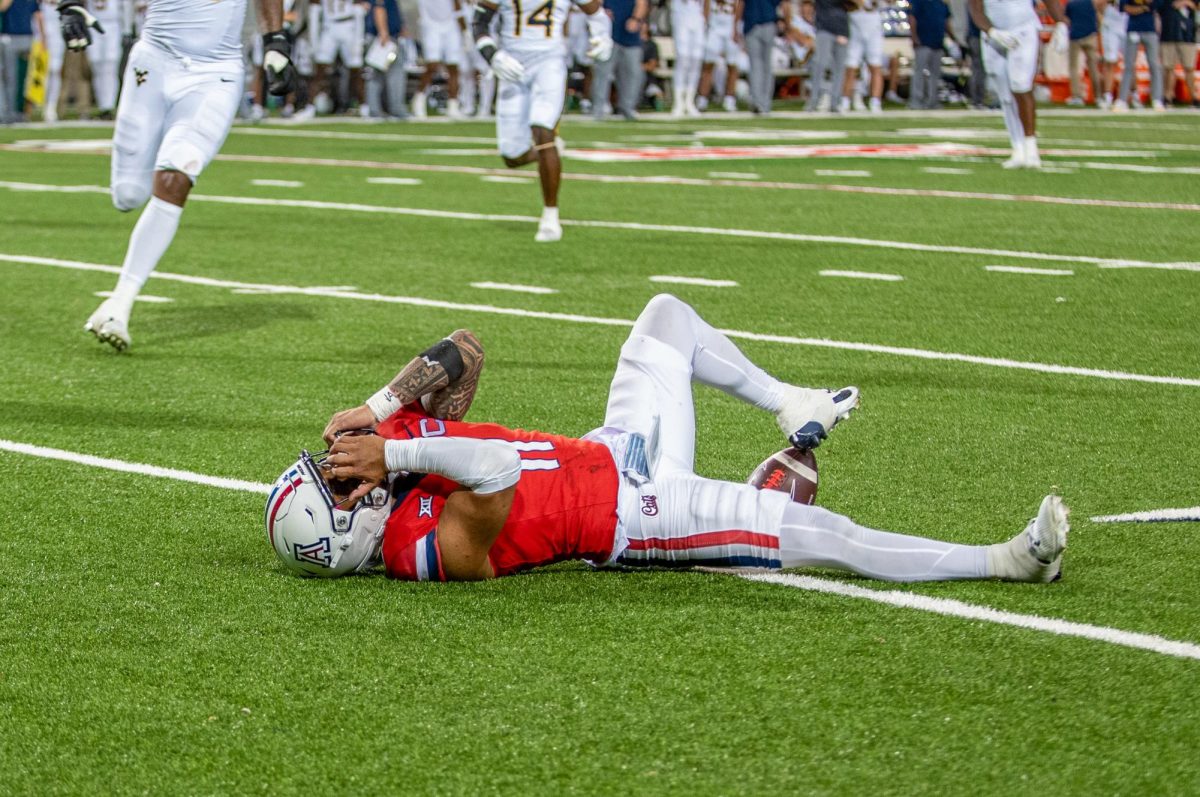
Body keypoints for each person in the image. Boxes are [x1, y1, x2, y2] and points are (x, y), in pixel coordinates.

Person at [266, 294, 1070, 586]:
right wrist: (395, 451)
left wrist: (380, 405)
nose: (346, 473)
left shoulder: (387, 455)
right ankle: (1009, 559)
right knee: (828, 538)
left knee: (666, 316)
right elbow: (498, 466)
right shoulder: (419, 549)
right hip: (641, 513)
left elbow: (464, 351)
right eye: (336, 488)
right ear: (346, 534)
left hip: (616, 445)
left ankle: (789, 404)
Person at [75, 0, 297, 352]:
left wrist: (275, 38)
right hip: (153, 62)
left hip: (216, 73)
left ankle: (119, 302)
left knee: (177, 174)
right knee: (128, 194)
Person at [471, 0, 611, 242]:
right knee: (511, 155)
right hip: (512, 65)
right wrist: (492, 55)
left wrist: (603, 36)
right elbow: (479, 22)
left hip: (550, 62)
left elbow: (597, 12)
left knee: (543, 129)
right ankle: (550, 153)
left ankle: (550, 216)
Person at [969, 0, 1068, 169]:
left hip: (1023, 29)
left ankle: (1031, 147)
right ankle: (1017, 147)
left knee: (1021, 85)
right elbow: (976, 11)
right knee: (1005, 97)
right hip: (994, 35)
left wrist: (1061, 23)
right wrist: (992, 32)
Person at [591, 0, 646, 120]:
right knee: (603, 73)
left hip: (630, 33)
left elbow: (642, 2)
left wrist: (636, 18)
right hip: (608, 32)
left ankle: (628, 107)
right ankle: (599, 108)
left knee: (633, 73)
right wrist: (600, 12)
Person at [412, 0, 463, 117]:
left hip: (451, 25)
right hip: (430, 25)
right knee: (432, 65)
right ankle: (419, 99)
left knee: (453, 66)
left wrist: (464, 29)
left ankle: (453, 105)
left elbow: (457, 5)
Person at [1113, 0, 1162, 110]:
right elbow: (1124, 8)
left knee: (1154, 65)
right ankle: (1122, 99)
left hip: (1150, 29)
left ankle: (1157, 99)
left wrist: (1139, 8)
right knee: (1128, 66)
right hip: (1133, 29)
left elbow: (1157, 5)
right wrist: (1142, 8)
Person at [907, 0, 953, 110]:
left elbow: (946, 21)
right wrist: (914, 36)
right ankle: (916, 101)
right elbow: (912, 18)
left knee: (935, 74)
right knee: (919, 72)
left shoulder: (942, 4)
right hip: (923, 41)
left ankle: (933, 101)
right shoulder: (920, 2)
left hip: (938, 42)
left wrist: (952, 37)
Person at [804, 0, 847, 112]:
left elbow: (857, 4)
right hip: (824, 27)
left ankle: (835, 102)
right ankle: (814, 100)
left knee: (839, 68)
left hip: (841, 27)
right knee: (820, 64)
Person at [841, 0, 883, 112]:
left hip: (873, 28)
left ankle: (875, 102)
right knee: (851, 67)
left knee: (875, 66)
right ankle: (845, 101)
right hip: (855, 28)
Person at [697, 0, 738, 111]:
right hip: (714, 28)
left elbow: (739, 6)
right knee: (708, 64)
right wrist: (705, 25)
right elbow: (706, 5)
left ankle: (730, 99)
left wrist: (737, 26)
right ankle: (702, 98)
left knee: (732, 65)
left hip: (730, 27)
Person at [1158, 0, 1197, 107]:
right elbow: (1158, 7)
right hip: (1169, 33)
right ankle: (1168, 97)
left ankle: (1193, 97)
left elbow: (1196, 5)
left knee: (1189, 67)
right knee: (1168, 67)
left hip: (1188, 35)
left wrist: (1186, 2)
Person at [670, 0, 705, 115]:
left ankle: (690, 101)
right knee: (683, 59)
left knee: (696, 60)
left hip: (698, 17)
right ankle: (678, 101)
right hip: (682, 15)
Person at [1063, 0, 1099, 105]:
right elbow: (1096, 18)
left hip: (1075, 36)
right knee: (1093, 67)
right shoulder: (1090, 3)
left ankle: (1077, 96)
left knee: (1074, 67)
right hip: (1090, 35)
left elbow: (1067, 19)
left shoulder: (1071, 4)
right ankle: (1098, 96)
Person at [35, 0, 64, 120]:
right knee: (42, 71)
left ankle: (51, 106)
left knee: (55, 70)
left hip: (58, 35)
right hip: (40, 35)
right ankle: (40, 103)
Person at [1097, 0, 1124, 108]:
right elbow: (1095, 3)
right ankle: (1107, 95)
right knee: (1110, 61)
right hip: (1110, 26)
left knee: (1130, 63)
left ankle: (1132, 95)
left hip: (1128, 24)